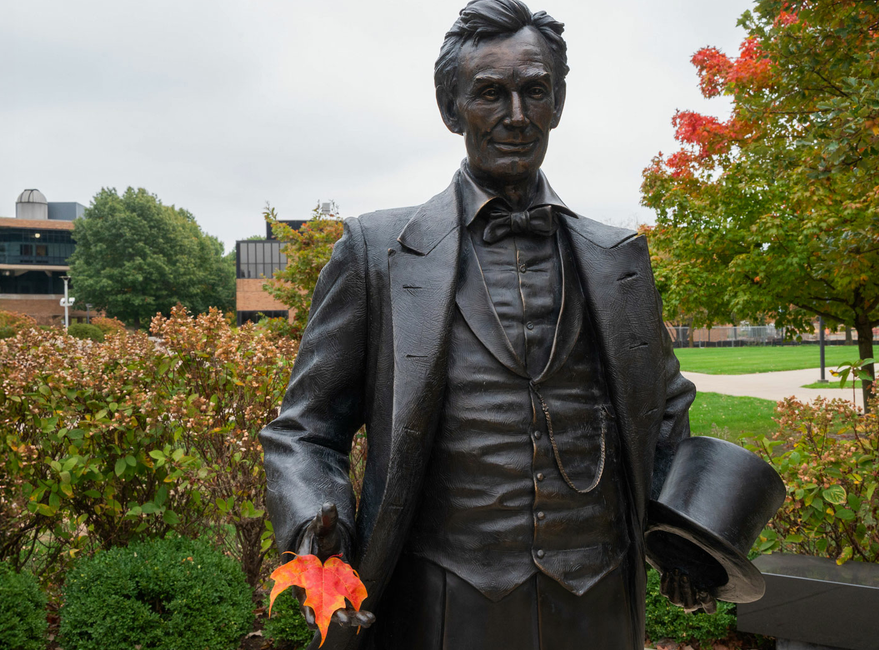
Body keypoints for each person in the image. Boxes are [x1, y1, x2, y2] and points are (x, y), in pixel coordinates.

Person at [260, 2, 705, 648]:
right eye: (491, 95)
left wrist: (689, 535)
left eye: (535, 92)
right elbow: (304, 431)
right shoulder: (376, 253)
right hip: (443, 607)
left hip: (600, 603)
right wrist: (315, 534)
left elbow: (663, 417)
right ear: (451, 109)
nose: (517, 117)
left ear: (558, 103)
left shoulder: (619, 261)